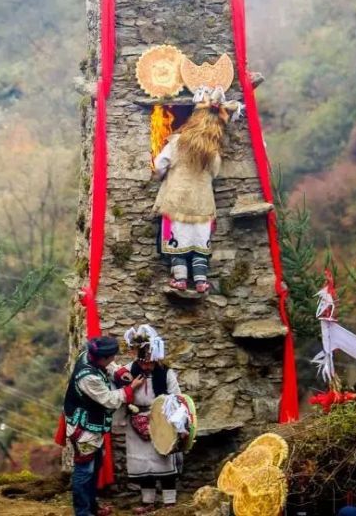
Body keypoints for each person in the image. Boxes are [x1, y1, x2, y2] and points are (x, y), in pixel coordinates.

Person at [153, 89, 237, 293]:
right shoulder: (213, 152)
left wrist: (164, 175)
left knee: (177, 240)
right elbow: (214, 173)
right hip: (202, 204)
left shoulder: (177, 142)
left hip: (177, 200)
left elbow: (159, 164)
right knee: (199, 242)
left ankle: (180, 279)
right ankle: (201, 281)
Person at [62, 335, 145, 516]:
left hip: (94, 426)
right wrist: (131, 388)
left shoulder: (88, 355)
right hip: (84, 429)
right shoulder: (88, 377)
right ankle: (83, 512)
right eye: (112, 357)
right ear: (103, 357)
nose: (114, 359)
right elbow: (108, 399)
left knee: (94, 468)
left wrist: (118, 372)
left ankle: (92, 507)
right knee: (84, 472)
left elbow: (108, 367)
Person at [121, 325, 182, 512]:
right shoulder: (126, 372)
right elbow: (118, 393)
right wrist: (131, 388)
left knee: (163, 459)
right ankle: (148, 501)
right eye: (143, 363)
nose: (147, 366)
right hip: (135, 419)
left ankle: (169, 502)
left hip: (161, 421)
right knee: (143, 463)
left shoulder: (166, 374)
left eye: (151, 362)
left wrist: (172, 421)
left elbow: (176, 398)